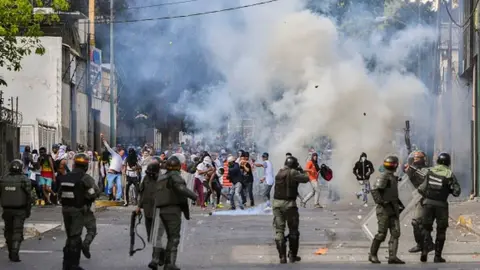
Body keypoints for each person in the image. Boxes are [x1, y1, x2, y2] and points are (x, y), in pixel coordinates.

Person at [151, 156, 198, 270]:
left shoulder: (161, 178)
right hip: (173, 210)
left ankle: (156, 259)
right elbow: (180, 188)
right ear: (178, 166)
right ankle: (170, 263)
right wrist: (193, 196)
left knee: (158, 236)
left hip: (160, 210)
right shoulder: (175, 176)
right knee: (174, 238)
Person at [417, 153, 461, 263]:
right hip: (441, 205)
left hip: (428, 204)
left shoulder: (429, 171)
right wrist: (449, 189)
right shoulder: (449, 174)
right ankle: (437, 256)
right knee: (441, 230)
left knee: (426, 228)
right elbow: (457, 192)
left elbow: (421, 189)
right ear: (448, 162)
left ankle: (424, 251)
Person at [59, 153, 99, 269]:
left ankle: (66, 264)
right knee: (76, 237)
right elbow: (95, 191)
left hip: (65, 209)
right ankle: (73, 265)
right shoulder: (85, 178)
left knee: (70, 236)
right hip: (79, 209)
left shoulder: (67, 176)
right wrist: (88, 197)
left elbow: (59, 193)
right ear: (86, 166)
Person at [272, 156, 309, 264]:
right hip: (289, 204)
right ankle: (292, 255)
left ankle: (282, 257)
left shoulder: (280, 172)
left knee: (279, 231)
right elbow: (306, 178)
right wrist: (301, 170)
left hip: (277, 204)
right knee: (293, 231)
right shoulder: (293, 172)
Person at [368, 155, 404, 264]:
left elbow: (392, 194)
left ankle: (392, 257)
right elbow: (374, 190)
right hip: (384, 209)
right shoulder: (384, 177)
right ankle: (373, 254)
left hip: (393, 208)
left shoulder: (392, 177)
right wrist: (382, 202)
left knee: (396, 233)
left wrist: (399, 204)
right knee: (381, 234)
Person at [0, 160, 32, 262]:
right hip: (20, 210)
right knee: (17, 231)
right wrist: (28, 209)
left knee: (8, 231)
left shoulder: (3, 179)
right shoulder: (24, 179)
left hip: (7, 210)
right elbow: (30, 196)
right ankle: (14, 253)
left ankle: (11, 251)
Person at [404, 151, 433, 253]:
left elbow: (424, 177)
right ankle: (425, 244)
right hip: (418, 199)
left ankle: (424, 244)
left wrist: (413, 170)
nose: (415, 160)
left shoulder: (428, 170)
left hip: (426, 199)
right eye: (414, 158)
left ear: (424, 159)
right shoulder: (411, 170)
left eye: (418, 158)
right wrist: (408, 171)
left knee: (417, 222)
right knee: (419, 223)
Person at [100, 133, 124, 201]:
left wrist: (123, 171)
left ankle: (118, 198)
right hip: (111, 173)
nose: (123, 152)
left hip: (118, 174)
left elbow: (121, 167)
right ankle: (110, 195)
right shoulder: (114, 154)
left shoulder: (121, 159)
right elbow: (108, 147)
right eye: (122, 151)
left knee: (119, 186)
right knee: (110, 187)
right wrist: (103, 138)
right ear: (119, 151)